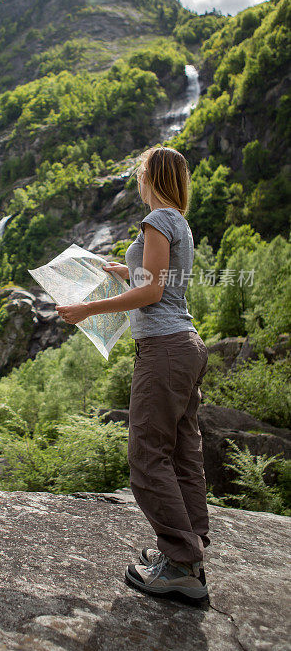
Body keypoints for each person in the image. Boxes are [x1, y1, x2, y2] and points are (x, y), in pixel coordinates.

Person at [55, 144, 210, 602]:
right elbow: (159, 281)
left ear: (151, 178)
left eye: (141, 174)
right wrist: (125, 269)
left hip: (163, 350)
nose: (138, 181)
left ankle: (181, 563)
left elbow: (152, 293)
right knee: (183, 451)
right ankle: (190, 548)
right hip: (185, 346)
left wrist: (87, 308)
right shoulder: (178, 222)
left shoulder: (157, 220)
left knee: (146, 455)